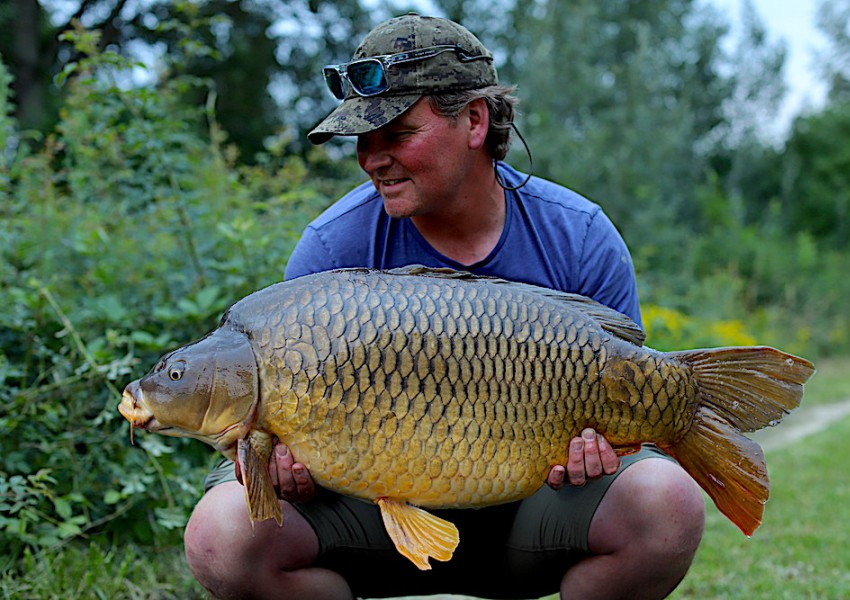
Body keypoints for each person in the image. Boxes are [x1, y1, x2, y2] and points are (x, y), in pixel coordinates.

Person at [184, 13, 705, 600]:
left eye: (397, 134)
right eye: (362, 140)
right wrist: (287, 468)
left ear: (474, 121)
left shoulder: (579, 236)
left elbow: (638, 426)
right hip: (372, 519)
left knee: (668, 503)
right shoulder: (333, 248)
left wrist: (606, 451)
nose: (371, 159)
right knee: (220, 534)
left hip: (538, 511)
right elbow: (281, 435)